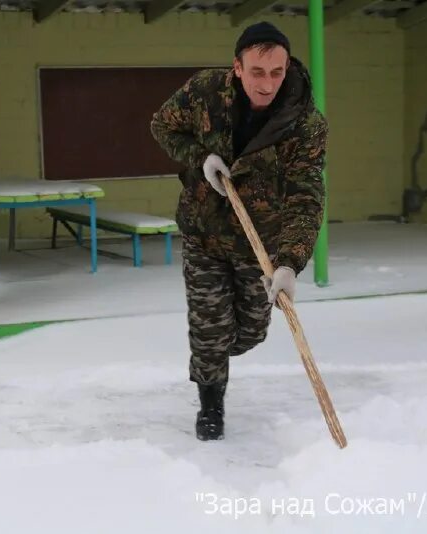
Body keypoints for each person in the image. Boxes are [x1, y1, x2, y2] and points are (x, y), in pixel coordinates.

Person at [150, 21, 328, 441]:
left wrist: (289, 263)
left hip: (260, 244)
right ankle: (211, 402)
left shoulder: (304, 124)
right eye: (257, 72)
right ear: (237, 68)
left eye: (277, 72)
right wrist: (201, 157)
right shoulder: (205, 93)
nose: (268, 84)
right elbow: (162, 125)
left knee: (249, 332)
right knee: (210, 326)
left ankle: (220, 349)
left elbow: (306, 195)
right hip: (204, 232)